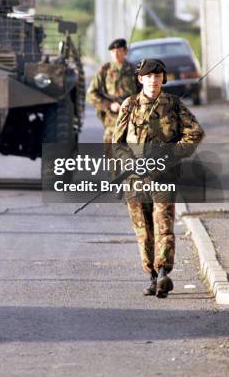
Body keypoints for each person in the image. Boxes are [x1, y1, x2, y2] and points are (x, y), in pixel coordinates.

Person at [112, 58, 204, 298]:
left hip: (164, 175)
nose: (153, 80)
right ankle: (151, 277)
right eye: (148, 76)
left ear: (164, 79)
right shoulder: (129, 105)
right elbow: (118, 143)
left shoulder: (173, 105)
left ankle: (163, 272)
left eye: (158, 76)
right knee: (144, 230)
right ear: (140, 79)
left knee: (163, 224)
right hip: (135, 178)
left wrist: (170, 154)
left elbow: (195, 133)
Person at [87, 38, 138, 143]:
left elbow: (144, 93)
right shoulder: (105, 70)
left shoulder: (134, 70)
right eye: (113, 52)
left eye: (119, 51)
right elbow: (91, 94)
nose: (116, 54)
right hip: (112, 121)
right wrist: (109, 105)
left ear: (125, 51)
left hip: (133, 121)